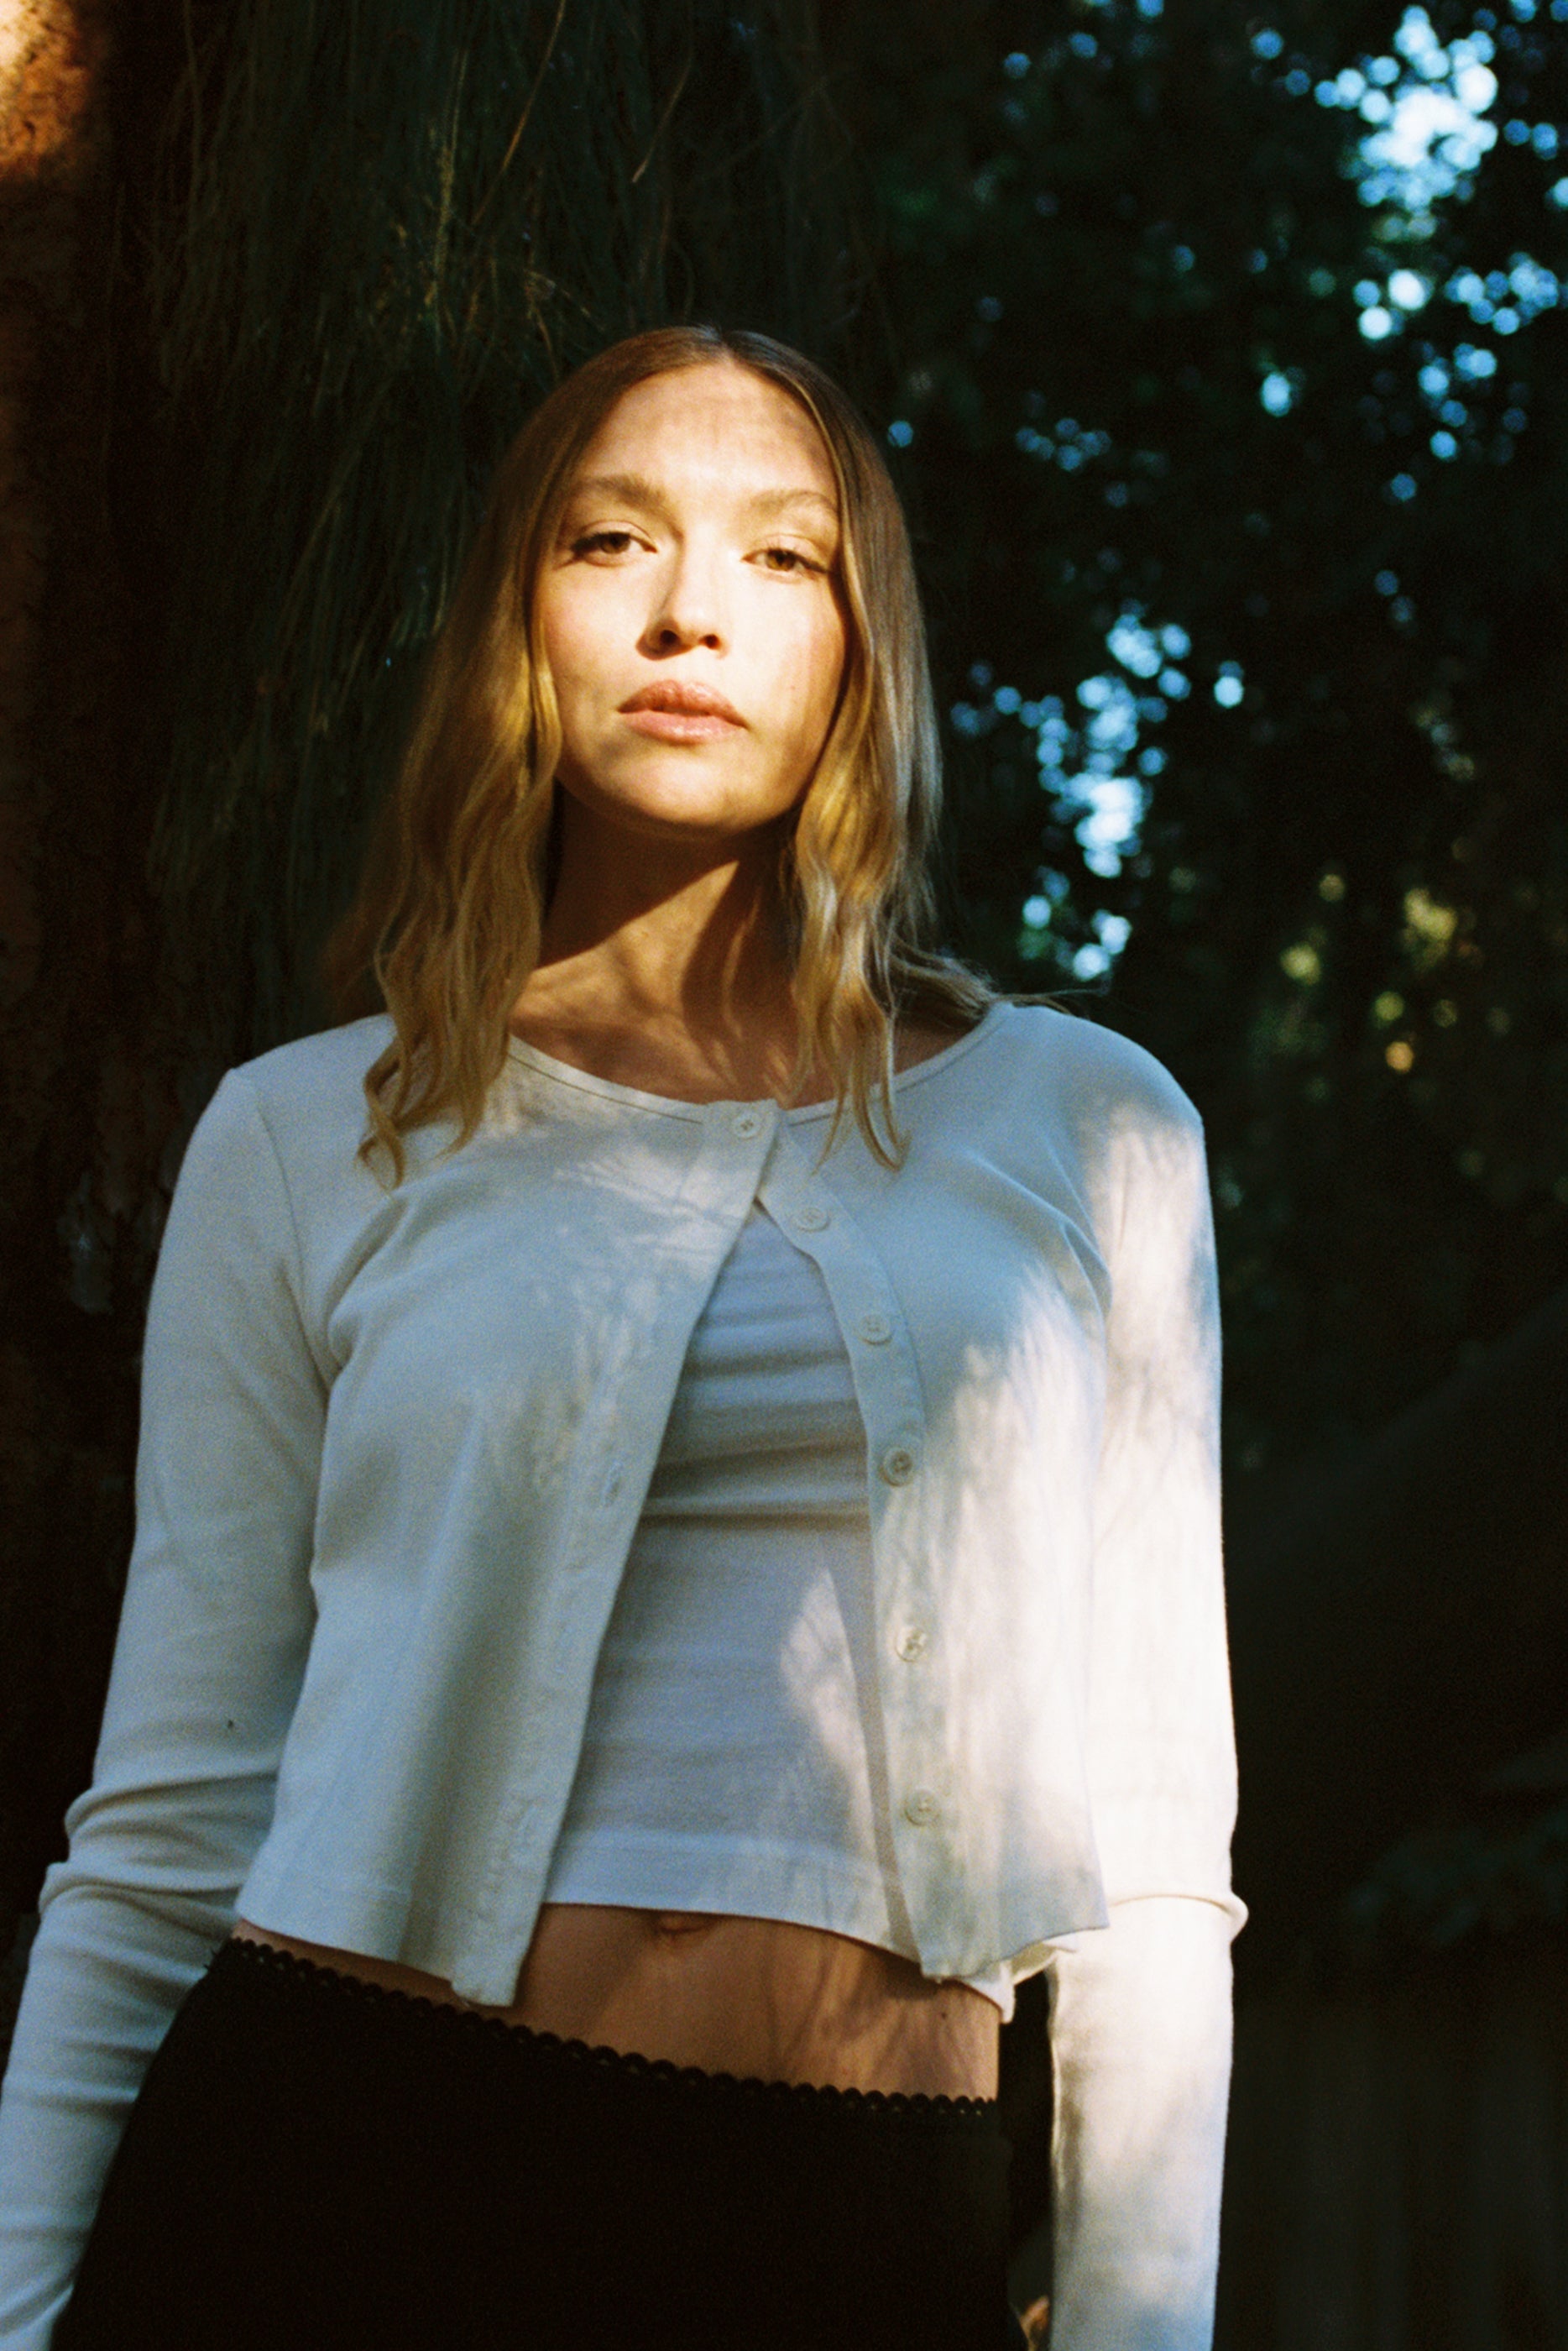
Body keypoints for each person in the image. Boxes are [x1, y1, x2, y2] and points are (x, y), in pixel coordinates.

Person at [0, 325, 1243, 2350]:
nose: (690, 610)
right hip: (338, 2169)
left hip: (851, 2224)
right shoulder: (310, 1133)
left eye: (783, 556)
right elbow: (163, 1821)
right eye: (612, 540)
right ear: (521, 616)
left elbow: (1158, 1857)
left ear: (866, 644)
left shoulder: (1091, 1129)